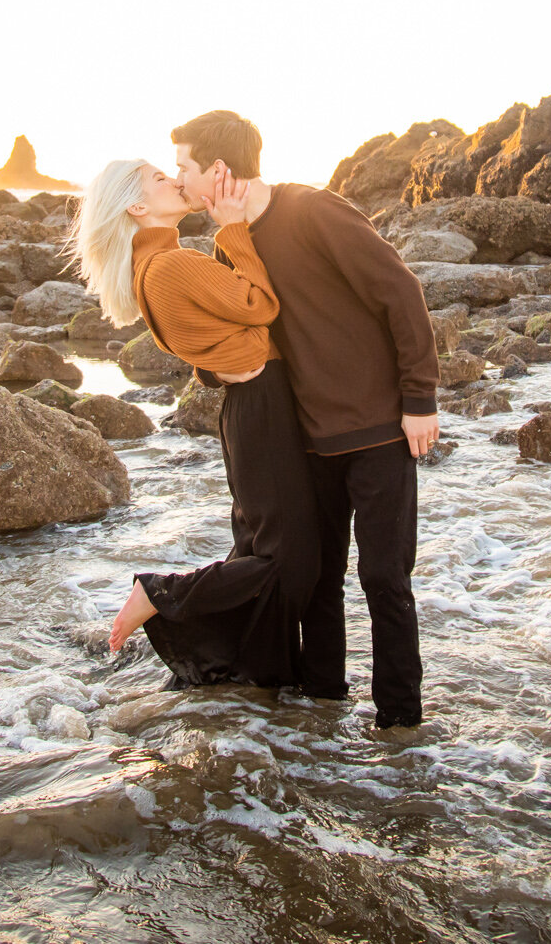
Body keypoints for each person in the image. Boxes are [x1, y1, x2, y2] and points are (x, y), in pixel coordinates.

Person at [169, 110, 439, 730]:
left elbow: (400, 291)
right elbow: (237, 340)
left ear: (217, 169)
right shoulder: (228, 244)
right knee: (318, 582)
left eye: (184, 167)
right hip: (303, 439)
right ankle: (324, 709)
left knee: (383, 579)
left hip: (377, 431)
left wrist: (419, 398)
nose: (179, 180)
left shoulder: (314, 211)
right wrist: (214, 370)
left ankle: (400, 726)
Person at [70, 157, 320, 690]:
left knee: (260, 552)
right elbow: (260, 305)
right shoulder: (172, 265)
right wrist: (232, 227)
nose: (175, 180)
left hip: (249, 409)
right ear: (138, 207)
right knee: (288, 561)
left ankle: (255, 679)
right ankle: (160, 592)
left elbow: (213, 345)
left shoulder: (155, 266)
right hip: (261, 407)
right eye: (161, 178)